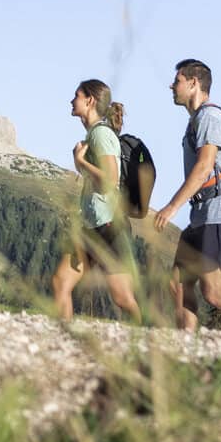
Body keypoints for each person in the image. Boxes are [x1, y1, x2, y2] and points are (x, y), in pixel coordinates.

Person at [152, 59, 221, 330]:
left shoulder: (210, 117)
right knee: (177, 282)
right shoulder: (197, 120)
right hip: (202, 215)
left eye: (176, 81)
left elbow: (203, 168)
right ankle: (187, 347)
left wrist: (171, 207)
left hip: (220, 213)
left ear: (193, 83)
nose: (171, 86)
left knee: (214, 292)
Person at [52, 79, 150, 322]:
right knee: (60, 282)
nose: (71, 100)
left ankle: (147, 340)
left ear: (90, 100)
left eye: (76, 95)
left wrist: (80, 163)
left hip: (109, 227)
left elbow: (111, 180)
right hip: (91, 225)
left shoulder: (101, 134)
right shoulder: (94, 134)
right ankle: (64, 341)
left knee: (122, 298)